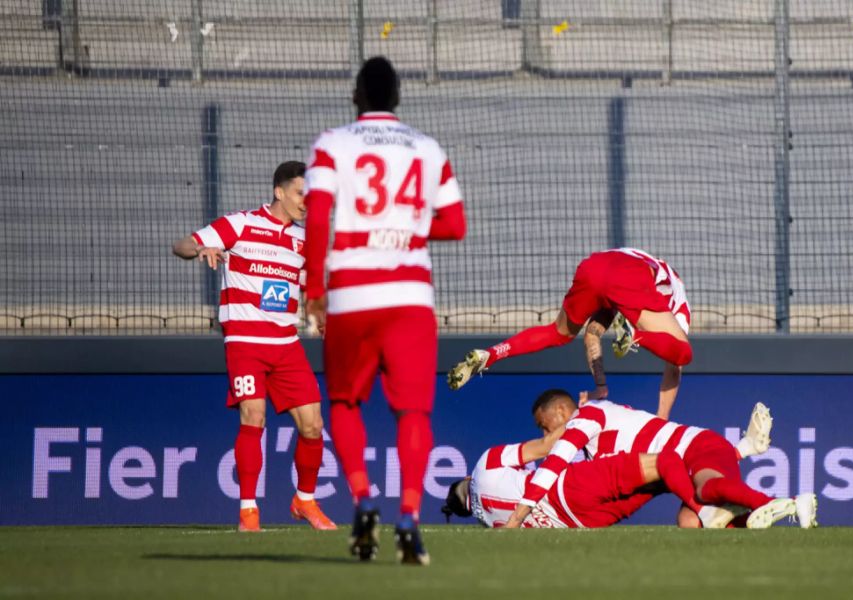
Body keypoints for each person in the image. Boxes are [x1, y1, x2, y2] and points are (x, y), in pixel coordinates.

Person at [302, 56, 466, 565]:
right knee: (413, 412)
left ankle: (363, 497)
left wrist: (313, 289)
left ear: (357, 95)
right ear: (398, 97)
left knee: (346, 404)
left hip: (352, 294)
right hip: (411, 298)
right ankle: (411, 517)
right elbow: (456, 224)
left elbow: (318, 219)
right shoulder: (428, 146)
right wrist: (410, 231)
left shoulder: (332, 143)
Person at [172, 161, 335, 532]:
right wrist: (198, 249)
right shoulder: (240, 224)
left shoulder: (305, 241)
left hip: (286, 344)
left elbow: (311, 292)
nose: (306, 202)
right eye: (300, 193)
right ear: (279, 191)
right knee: (254, 417)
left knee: (313, 425)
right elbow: (180, 245)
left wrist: (319, 314)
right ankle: (249, 511)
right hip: (245, 342)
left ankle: (304, 500)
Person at [507, 389, 818, 529]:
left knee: (706, 491)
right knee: (688, 523)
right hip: (692, 461)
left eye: (542, 422)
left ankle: (787, 501)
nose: (543, 430)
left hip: (699, 447)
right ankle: (750, 508)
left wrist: (517, 518)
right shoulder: (594, 437)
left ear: (561, 411)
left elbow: (554, 463)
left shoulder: (585, 418)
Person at [449, 248, 691, 418]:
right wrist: (662, 419)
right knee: (684, 353)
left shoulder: (638, 268)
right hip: (629, 277)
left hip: (593, 266)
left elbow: (592, 335)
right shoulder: (677, 303)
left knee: (558, 333)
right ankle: (635, 336)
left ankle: (491, 355)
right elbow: (674, 366)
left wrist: (601, 388)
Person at [443, 442, 705, 529]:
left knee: (662, 482)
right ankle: (707, 509)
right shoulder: (483, 465)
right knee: (667, 460)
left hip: (580, 523)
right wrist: (578, 419)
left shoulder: (487, 523)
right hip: (567, 488)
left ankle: (718, 516)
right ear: (466, 478)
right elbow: (545, 447)